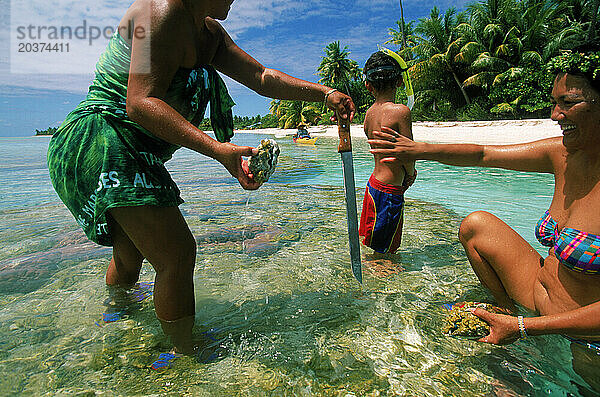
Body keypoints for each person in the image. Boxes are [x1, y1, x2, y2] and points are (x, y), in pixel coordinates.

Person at [47, 0, 355, 358]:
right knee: (176, 254)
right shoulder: (159, 13)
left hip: (129, 147)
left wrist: (324, 93)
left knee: (131, 252)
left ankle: (115, 324)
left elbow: (261, 77)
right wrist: (217, 150)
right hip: (101, 141)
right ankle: (184, 354)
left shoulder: (208, 33)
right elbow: (140, 102)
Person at [368, 47, 600, 391]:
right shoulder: (561, 153)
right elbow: (484, 153)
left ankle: (516, 327)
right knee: (477, 224)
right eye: (555, 103)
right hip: (538, 294)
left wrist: (523, 329)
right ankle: (503, 307)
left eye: (568, 103)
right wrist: (419, 150)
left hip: (586, 336)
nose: (556, 115)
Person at [358, 50, 416, 255]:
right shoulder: (400, 112)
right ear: (400, 81)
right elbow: (408, 152)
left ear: (368, 85)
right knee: (385, 254)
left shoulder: (369, 114)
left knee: (374, 244)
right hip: (390, 190)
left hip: (373, 186)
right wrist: (410, 174)